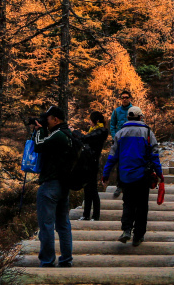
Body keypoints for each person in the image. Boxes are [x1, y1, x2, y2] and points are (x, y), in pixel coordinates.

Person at [101, 105, 163, 247]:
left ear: (128, 117)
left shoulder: (120, 133)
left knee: (128, 203)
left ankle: (127, 229)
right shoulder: (147, 132)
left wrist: (106, 173)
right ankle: (138, 235)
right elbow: (154, 155)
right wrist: (159, 173)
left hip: (125, 176)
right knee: (142, 205)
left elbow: (112, 156)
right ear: (140, 117)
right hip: (142, 176)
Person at [30, 105, 73, 267]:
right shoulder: (67, 134)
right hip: (63, 185)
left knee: (46, 224)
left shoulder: (59, 135)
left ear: (56, 119)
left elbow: (39, 146)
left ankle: (47, 261)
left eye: (47, 119)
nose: (45, 121)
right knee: (63, 224)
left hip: (51, 185)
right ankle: (66, 259)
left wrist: (39, 130)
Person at [80, 111, 109, 221]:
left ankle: (95, 215)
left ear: (96, 121)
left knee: (93, 189)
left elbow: (85, 139)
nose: (89, 122)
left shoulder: (100, 131)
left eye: (91, 120)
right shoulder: (94, 131)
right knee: (87, 188)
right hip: (88, 162)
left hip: (93, 162)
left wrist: (74, 132)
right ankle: (86, 214)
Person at [108, 91, 133, 198]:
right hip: (119, 141)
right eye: (122, 97)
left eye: (126, 97)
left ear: (130, 98)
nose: (124, 99)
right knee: (119, 163)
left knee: (131, 162)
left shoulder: (134, 110)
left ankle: (130, 184)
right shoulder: (116, 111)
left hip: (131, 141)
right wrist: (114, 137)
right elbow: (112, 125)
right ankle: (119, 185)